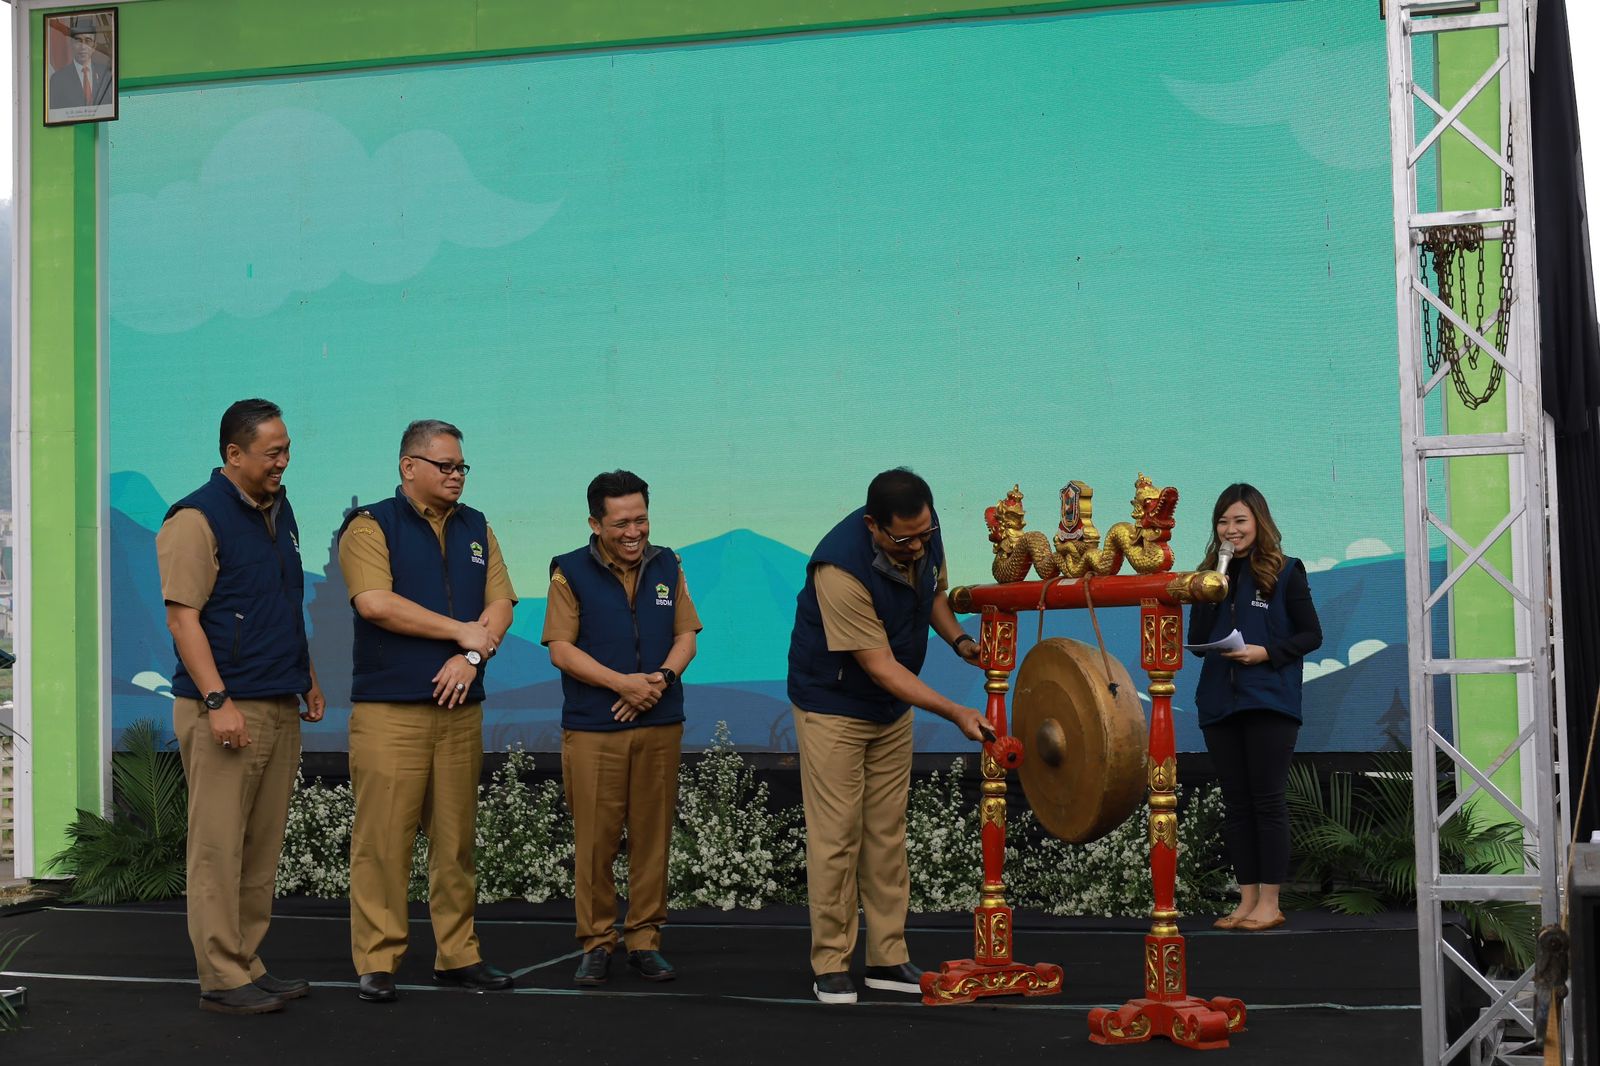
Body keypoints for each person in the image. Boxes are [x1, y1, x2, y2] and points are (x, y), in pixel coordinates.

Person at [787, 468, 992, 1005]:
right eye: (905, 539)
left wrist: (961, 642)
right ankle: (830, 963)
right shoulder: (839, 569)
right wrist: (953, 710)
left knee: (886, 834)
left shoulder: (923, 533)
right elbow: (878, 665)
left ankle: (887, 956)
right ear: (873, 525)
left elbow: (933, 597)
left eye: (926, 533)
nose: (919, 545)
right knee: (837, 837)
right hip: (834, 705)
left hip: (890, 709)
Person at [338, 419, 518, 1003]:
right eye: (445, 466)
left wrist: (470, 652)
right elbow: (375, 603)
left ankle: (457, 955)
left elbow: (500, 604)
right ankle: (379, 959)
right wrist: (461, 632)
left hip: (461, 710)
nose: (457, 475)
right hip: (392, 712)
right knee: (383, 841)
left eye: (462, 466)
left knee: (456, 840)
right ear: (407, 466)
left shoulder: (477, 526)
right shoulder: (369, 526)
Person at [157, 398, 326, 1015]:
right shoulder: (195, 519)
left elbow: (281, 601)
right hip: (226, 709)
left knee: (260, 847)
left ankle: (248, 962)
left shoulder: (279, 513)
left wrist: (303, 674)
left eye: (287, 451)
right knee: (218, 848)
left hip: (278, 698)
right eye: (272, 453)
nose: (284, 462)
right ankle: (222, 977)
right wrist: (217, 699)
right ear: (234, 454)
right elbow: (184, 619)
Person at [542, 470, 701, 987]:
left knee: (652, 838)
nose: (634, 533)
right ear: (595, 522)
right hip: (594, 728)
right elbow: (562, 650)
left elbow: (686, 635)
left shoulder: (668, 563)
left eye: (641, 520)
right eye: (621, 523)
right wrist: (623, 685)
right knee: (596, 840)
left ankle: (645, 940)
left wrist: (660, 679)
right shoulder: (568, 571)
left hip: (660, 722)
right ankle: (596, 942)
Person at [1188, 483, 1322, 933]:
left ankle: (1271, 901)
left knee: (1266, 801)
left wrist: (1266, 653)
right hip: (1219, 703)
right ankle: (1246, 901)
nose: (1231, 530)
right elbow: (1195, 643)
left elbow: (1310, 635)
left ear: (1258, 523)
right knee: (1237, 805)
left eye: (1239, 521)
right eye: (1223, 522)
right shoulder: (1210, 575)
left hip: (1269, 700)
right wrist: (1214, 587)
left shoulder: (1286, 572)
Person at [49, 17, 113, 109]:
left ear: (94, 46)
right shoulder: (57, 79)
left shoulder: (106, 74)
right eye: (78, 41)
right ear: (71, 44)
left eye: (88, 41)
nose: (83, 46)